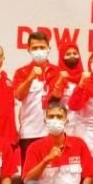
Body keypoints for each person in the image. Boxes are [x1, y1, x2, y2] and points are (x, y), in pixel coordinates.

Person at [13, 30, 60, 161]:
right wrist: (30, 78)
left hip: (54, 131)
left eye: (42, 47)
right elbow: (19, 96)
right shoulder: (22, 72)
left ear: (49, 48)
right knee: (30, 171)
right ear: (28, 50)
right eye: (35, 48)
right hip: (30, 132)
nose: (39, 51)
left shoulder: (58, 72)